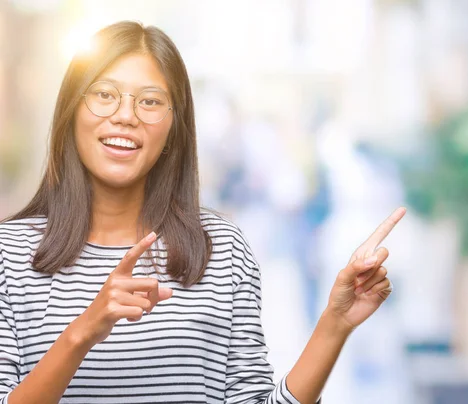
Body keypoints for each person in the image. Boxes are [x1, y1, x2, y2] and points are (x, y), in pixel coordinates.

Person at [0, 21, 405, 404]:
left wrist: (335, 326)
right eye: (105, 94)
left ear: (174, 127)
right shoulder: (10, 253)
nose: (126, 115)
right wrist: (83, 333)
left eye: (150, 101)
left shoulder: (222, 249)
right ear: (72, 109)